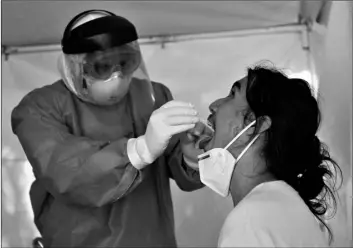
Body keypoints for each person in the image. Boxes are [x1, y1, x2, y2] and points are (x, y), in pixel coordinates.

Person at [11, 9, 206, 247]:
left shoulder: (155, 97)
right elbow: (64, 171)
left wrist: (192, 157)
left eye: (125, 62)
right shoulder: (38, 108)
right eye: (102, 67)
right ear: (75, 66)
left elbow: (183, 173)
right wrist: (140, 150)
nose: (117, 76)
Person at [197, 63, 342, 247]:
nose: (213, 106)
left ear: (255, 124)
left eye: (232, 94)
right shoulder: (287, 205)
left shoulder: (249, 222)